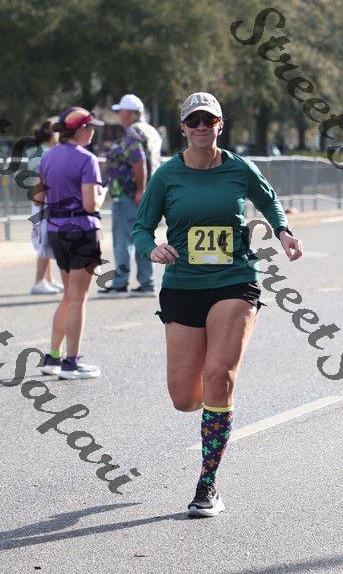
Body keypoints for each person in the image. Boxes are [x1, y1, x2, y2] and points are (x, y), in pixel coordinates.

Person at [133, 91, 303, 518]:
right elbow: (141, 228)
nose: (201, 127)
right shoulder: (167, 175)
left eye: (209, 121)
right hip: (183, 286)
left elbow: (269, 200)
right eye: (194, 121)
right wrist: (152, 249)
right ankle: (213, 406)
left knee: (218, 376)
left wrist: (282, 231)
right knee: (183, 397)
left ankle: (207, 484)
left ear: (220, 126)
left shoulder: (239, 168)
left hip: (235, 280)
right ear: (183, 128)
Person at [34, 107, 107, 380]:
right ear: (81, 129)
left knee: (68, 296)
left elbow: (38, 197)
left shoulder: (48, 156)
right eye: (91, 126)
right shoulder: (87, 159)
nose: (93, 131)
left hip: (56, 230)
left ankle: (53, 356)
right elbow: (90, 203)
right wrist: (100, 196)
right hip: (82, 230)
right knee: (78, 298)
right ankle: (71, 362)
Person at [98, 93, 161, 298]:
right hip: (148, 195)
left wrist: (139, 190)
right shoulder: (151, 131)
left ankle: (120, 283)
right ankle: (147, 283)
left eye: (121, 111)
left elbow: (138, 161)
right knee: (143, 238)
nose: (119, 115)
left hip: (129, 195)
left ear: (129, 113)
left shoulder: (132, 133)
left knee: (122, 241)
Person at [29, 119, 63, 295]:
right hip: (44, 202)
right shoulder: (48, 153)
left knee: (47, 242)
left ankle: (48, 279)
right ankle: (39, 281)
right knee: (45, 241)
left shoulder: (39, 151)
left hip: (40, 202)